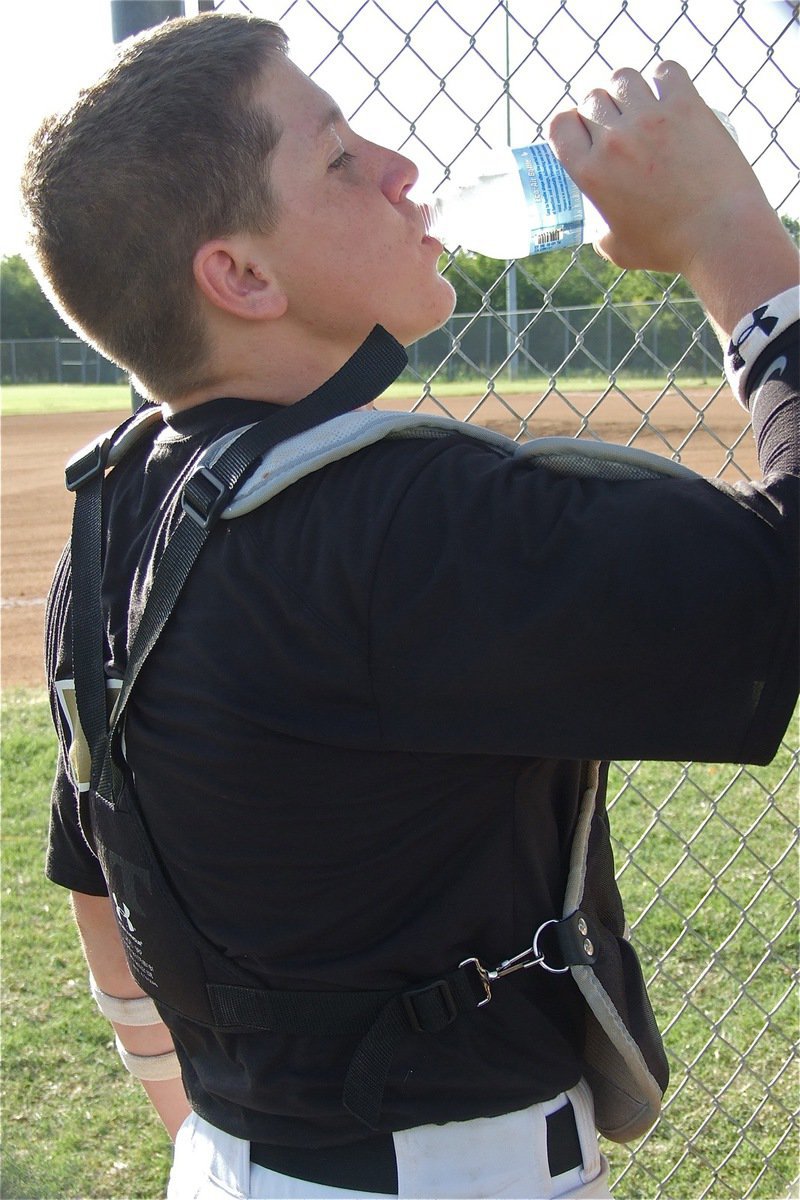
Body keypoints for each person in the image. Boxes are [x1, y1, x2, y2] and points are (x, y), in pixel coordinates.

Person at [22, 12, 798, 1200]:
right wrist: (725, 231)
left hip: (233, 1166)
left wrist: (206, 1133)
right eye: (337, 159)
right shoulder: (405, 521)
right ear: (240, 276)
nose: (400, 167)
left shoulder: (114, 509)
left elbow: (97, 895)